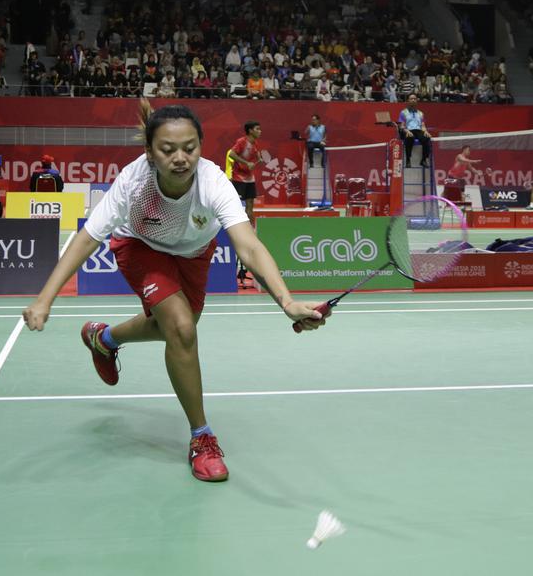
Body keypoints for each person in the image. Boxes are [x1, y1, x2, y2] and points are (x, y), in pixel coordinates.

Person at [21, 103, 327, 483]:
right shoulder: (134, 182)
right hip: (141, 248)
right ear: (150, 152)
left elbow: (248, 246)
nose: (181, 158)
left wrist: (287, 301)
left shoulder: (213, 182)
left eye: (190, 147)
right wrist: (44, 298)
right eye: (168, 149)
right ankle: (202, 438)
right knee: (181, 328)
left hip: (194, 253)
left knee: (173, 329)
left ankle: (104, 339)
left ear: (201, 146)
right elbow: (86, 240)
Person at [228, 121, 263, 226]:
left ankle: (252, 230)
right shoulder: (242, 141)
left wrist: (259, 158)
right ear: (250, 130)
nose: (260, 131)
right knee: (235, 206)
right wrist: (246, 163)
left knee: (250, 206)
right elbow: (231, 154)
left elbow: (256, 154)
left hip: (250, 179)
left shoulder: (255, 143)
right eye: (257, 129)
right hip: (239, 179)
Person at [396, 94, 432, 167]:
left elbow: (423, 125)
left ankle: (423, 160)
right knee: (409, 137)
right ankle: (408, 160)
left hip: (418, 131)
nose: (413, 100)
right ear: (408, 101)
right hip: (408, 130)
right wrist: (406, 131)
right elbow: (402, 126)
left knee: (427, 138)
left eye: (415, 99)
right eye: (411, 99)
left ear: (417, 101)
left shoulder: (420, 113)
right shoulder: (403, 112)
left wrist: (425, 131)